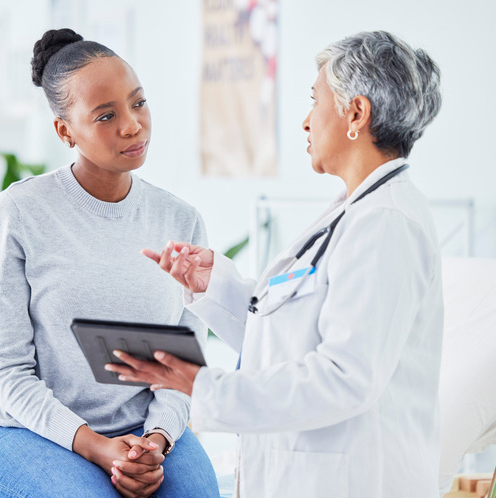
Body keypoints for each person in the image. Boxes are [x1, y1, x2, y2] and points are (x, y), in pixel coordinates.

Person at [106, 31, 444, 498]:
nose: (306, 121)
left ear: (356, 113)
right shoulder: (353, 213)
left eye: (315, 100)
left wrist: (204, 386)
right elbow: (289, 341)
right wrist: (215, 287)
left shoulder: (386, 223)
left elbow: (346, 378)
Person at [0, 28, 219, 498]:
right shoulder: (20, 212)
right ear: (65, 130)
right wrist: (97, 446)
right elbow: (6, 374)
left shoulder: (181, 219)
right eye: (106, 115)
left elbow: (182, 365)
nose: (132, 125)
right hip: (23, 434)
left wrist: (156, 440)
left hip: (146, 431)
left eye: (138, 103)